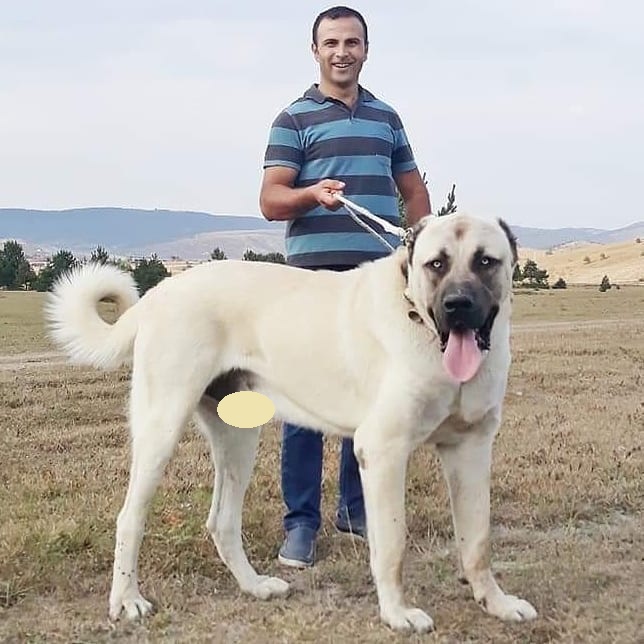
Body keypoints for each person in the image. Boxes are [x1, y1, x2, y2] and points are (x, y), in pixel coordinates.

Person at [259, 5, 431, 568]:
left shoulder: (387, 118)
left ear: (365, 49)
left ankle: (356, 511)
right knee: (304, 401)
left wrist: (422, 243)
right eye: (330, 42)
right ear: (315, 51)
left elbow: (414, 191)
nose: (342, 52)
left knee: (376, 399)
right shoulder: (294, 119)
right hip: (311, 284)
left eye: (351, 42)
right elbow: (270, 201)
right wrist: (311, 195)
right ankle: (301, 524)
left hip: (380, 284)